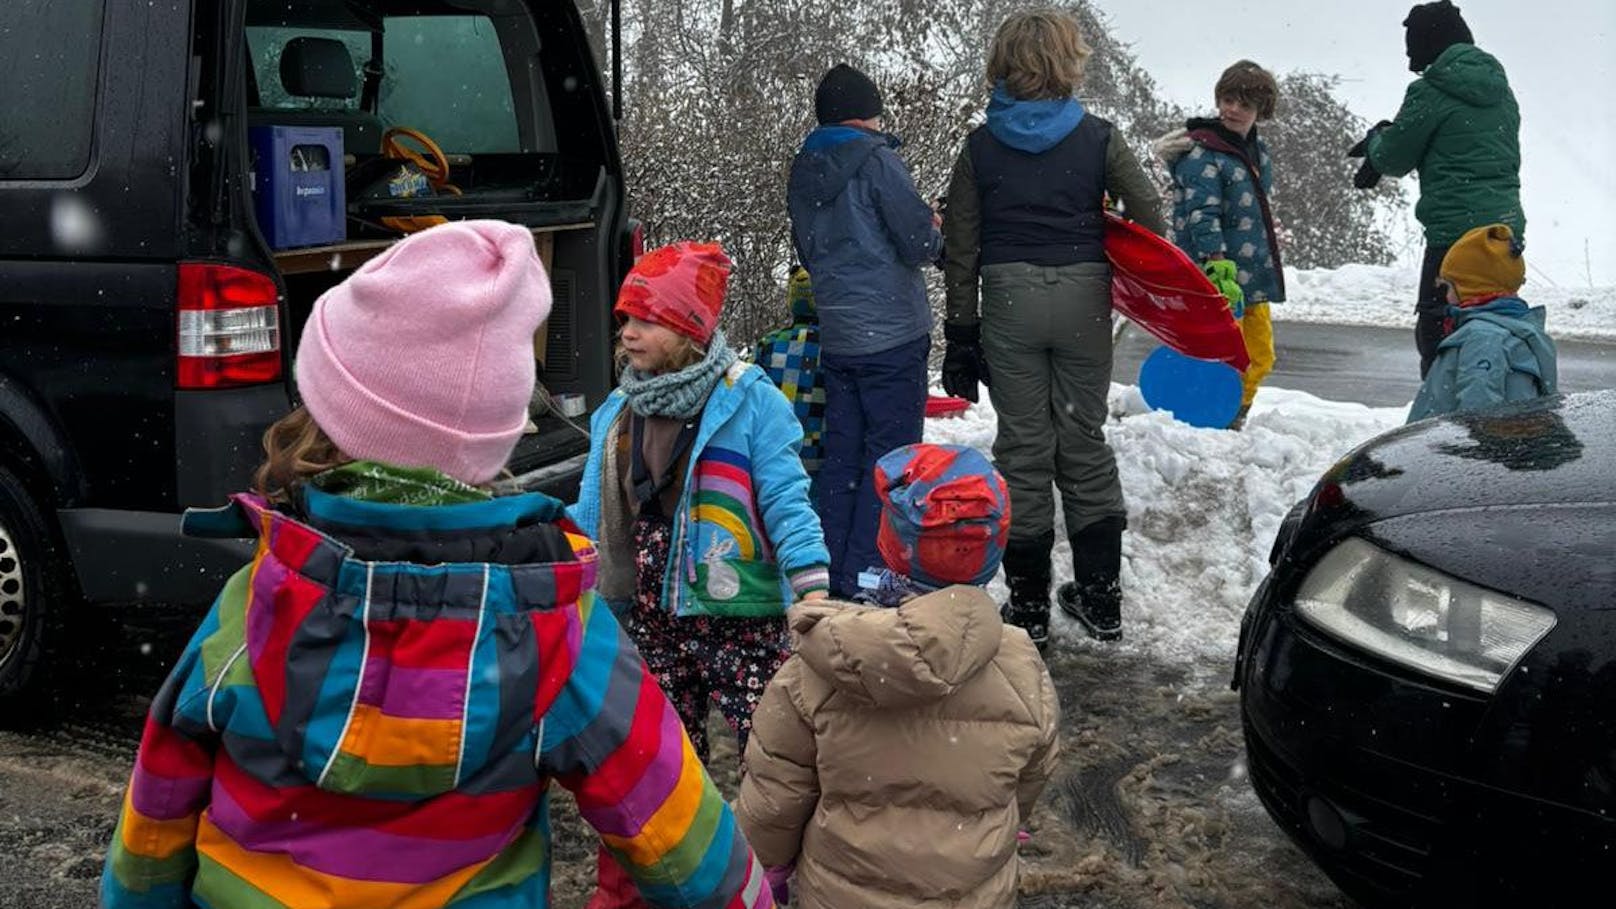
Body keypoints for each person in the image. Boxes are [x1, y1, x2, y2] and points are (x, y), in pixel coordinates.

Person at [100, 221, 773, 909]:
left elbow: (153, 822)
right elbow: (686, 846)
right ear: (495, 439)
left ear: (328, 418)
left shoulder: (257, 601)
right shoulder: (554, 631)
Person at [570, 241, 830, 907]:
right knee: (658, 760)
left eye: (645, 319)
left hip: (739, 616)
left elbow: (786, 499)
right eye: (625, 318)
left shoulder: (751, 403)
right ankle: (654, 880)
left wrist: (812, 586)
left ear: (689, 329)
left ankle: (777, 869)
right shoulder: (619, 409)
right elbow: (593, 510)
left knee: (768, 752)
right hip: (654, 617)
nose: (627, 332)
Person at [735, 443, 1060, 908]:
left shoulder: (817, 668)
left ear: (891, 541)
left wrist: (771, 870)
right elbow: (1029, 779)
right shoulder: (1022, 669)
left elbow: (774, 801)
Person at [941, 8, 1163, 648]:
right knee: (1084, 441)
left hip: (1009, 300)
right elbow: (1147, 211)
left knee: (1024, 450)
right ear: (1069, 61)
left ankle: (1030, 610)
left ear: (1004, 64)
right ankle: (1101, 601)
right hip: (1083, 298)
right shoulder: (1097, 138)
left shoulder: (981, 147)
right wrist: (1119, 255)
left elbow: (962, 244)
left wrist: (962, 333)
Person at [787, 62, 942, 599]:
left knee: (844, 459)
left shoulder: (804, 169)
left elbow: (810, 251)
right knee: (892, 463)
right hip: (893, 336)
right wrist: (937, 233)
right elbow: (917, 242)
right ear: (869, 114)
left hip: (841, 336)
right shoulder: (878, 161)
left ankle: (830, 571)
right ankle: (872, 578)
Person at [1349, 0, 1524, 378]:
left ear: (1428, 44)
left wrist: (1378, 140)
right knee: (1498, 326)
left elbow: (1396, 159)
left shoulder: (1429, 91)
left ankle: (1444, 427)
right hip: (1504, 233)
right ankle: (1501, 411)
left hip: (1455, 234)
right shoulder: (1501, 91)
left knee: (1438, 334)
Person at [1155, 59, 1285, 432]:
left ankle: (1235, 411)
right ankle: (1212, 415)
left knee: (1260, 353)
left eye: (1243, 104)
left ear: (1260, 111)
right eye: (1227, 99)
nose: (1232, 109)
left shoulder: (1256, 154)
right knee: (1220, 354)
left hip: (1252, 276)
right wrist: (1216, 261)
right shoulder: (1203, 153)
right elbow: (1202, 211)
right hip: (1219, 274)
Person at [1407, 224, 1556, 422]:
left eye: (1449, 287)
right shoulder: (1519, 329)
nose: (1447, 296)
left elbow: (1479, 422)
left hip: (1439, 449)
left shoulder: (1484, 338)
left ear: (1471, 289)